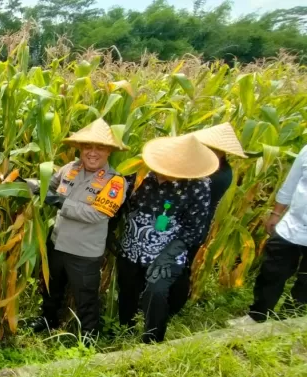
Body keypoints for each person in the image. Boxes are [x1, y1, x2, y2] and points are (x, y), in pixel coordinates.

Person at [24, 118, 128, 336]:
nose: (92, 152)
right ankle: (48, 320)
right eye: (88, 146)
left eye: (100, 147)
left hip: (84, 251)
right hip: (58, 243)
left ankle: (89, 335)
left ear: (109, 151)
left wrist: (60, 202)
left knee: (86, 296)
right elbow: (48, 187)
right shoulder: (69, 169)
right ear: (81, 148)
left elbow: (98, 214)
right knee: (51, 288)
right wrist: (27, 183)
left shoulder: (115, 182)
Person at [116, 134, 218, 343]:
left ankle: (152, 340)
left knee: (157, 292)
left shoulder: (198, 186)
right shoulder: (138, 173)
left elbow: (195, 229)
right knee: (128, 290)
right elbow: (115, 202)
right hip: (131, 246)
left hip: (167, 251)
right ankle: (123, 328)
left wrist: (166, 257)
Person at [171, 123, 247, 314]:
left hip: (193, 227)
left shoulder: (218, 175)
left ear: (219, 151)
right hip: (182, 223)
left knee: (179, 266)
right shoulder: (209, 168)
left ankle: (173, 306)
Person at [229, 144, 307, 326]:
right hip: (291, 226)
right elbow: (291, 183)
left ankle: (289, 323)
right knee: (271, 272)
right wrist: (276, 213)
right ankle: (257, 316)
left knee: (306, 281)